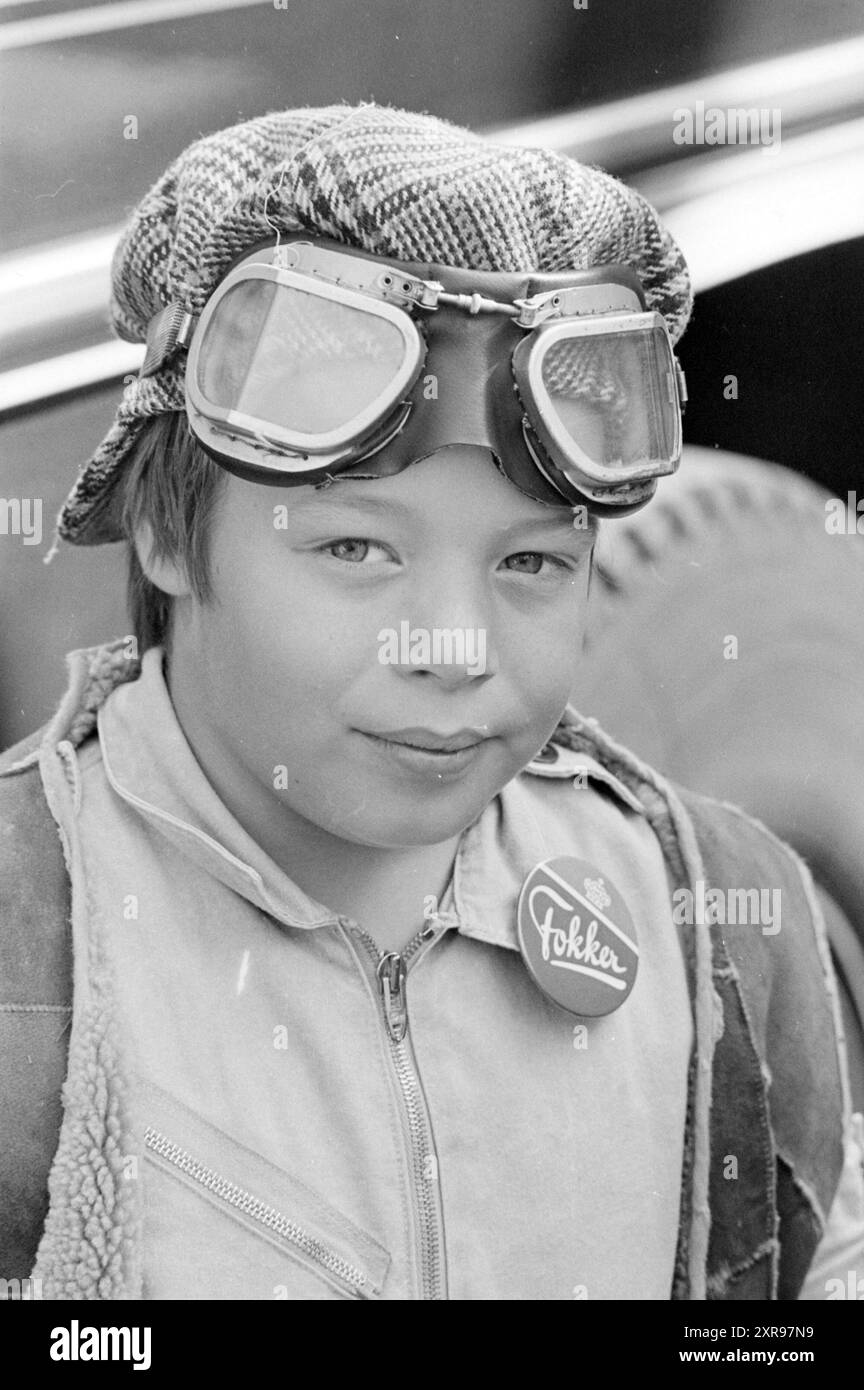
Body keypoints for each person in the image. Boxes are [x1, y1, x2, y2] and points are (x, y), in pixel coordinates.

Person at [1, 102, 862, 1301]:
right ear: (164, 534)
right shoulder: (25, 949)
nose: (453, 647)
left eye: (530, 565)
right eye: (356, 550)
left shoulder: (719, 928)